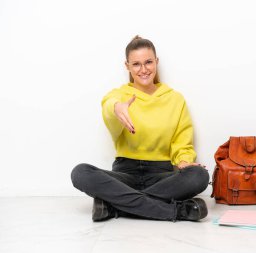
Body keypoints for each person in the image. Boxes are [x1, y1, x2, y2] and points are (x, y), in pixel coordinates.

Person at [71, 35, 209, 222]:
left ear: (156, 62)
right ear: (127, 66)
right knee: (80, 172)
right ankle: (177, 211)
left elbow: (182, 143)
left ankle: (113, 206)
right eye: (136, 64)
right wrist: (116, 108)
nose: (143, 69)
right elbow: (109, 105)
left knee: (199, 176)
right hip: (124, 174)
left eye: (148, 62)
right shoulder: (120, 95)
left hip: (161, 175)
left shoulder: (175, 99)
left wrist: (184, 161)